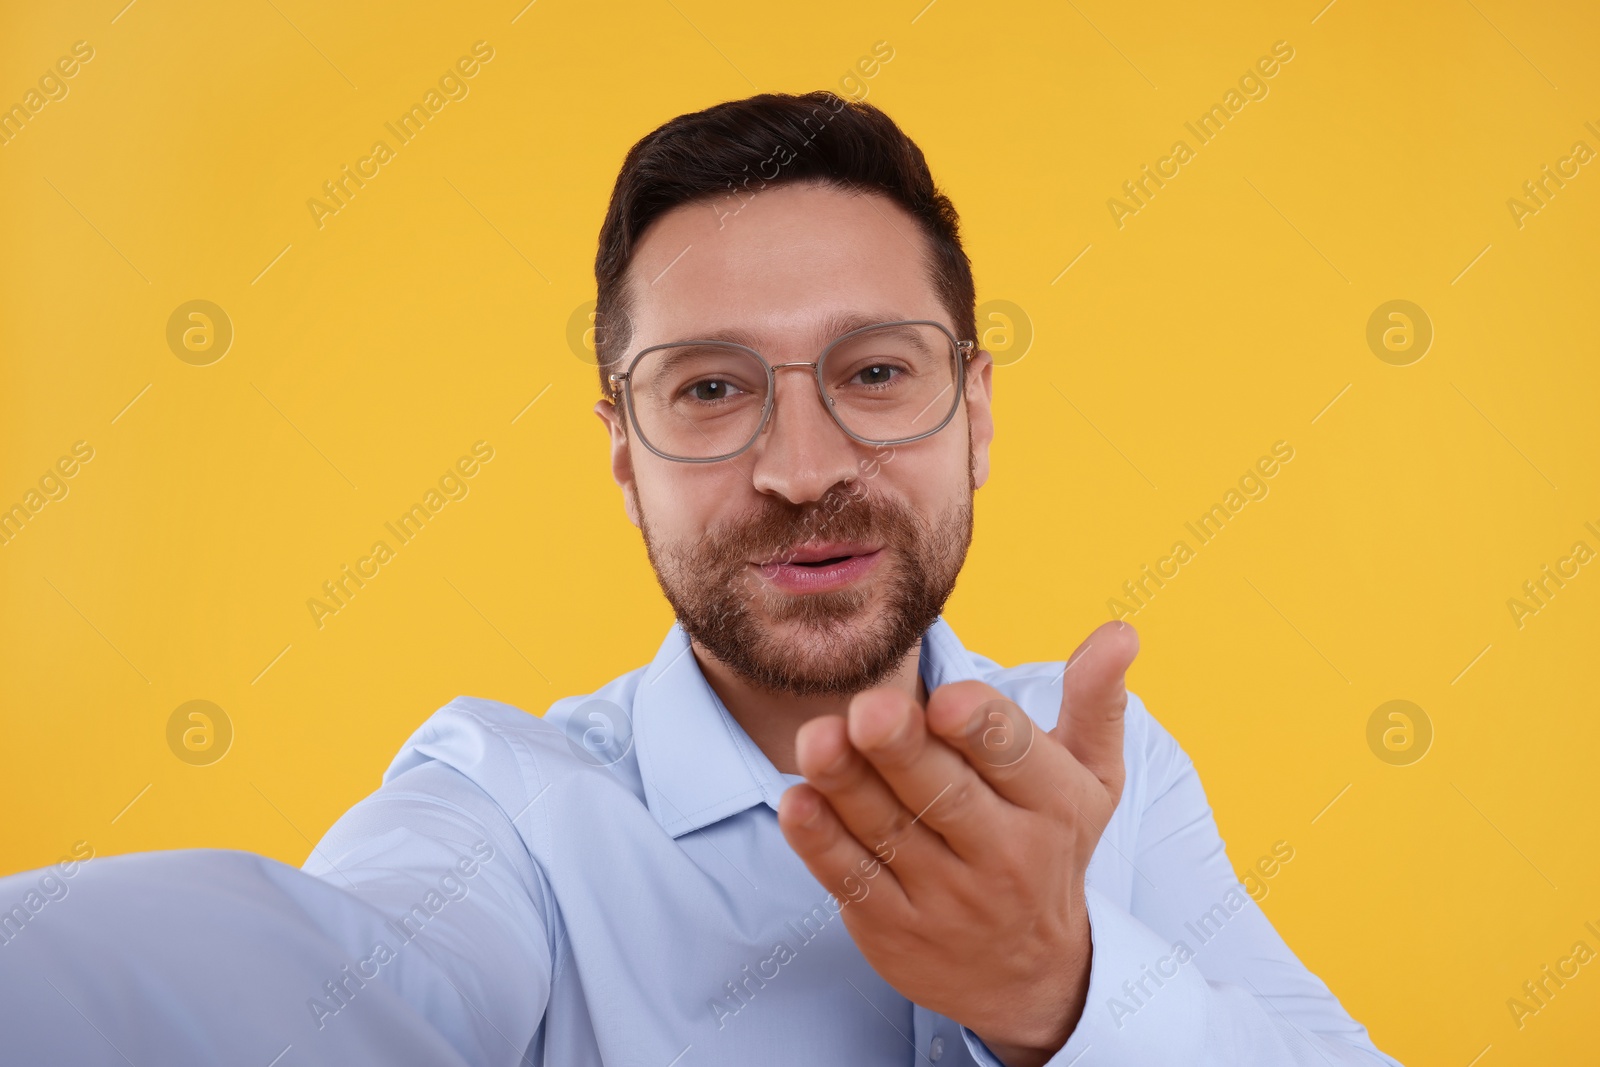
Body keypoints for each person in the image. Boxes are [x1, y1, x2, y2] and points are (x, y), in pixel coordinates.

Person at [0, 91, 1403, 1066]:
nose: (801, 464)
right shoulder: (510, 809)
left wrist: (1069, 992)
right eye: (713, 387)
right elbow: (335, 983)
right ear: (625, 456)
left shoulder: (1107, 776)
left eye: (874, 373)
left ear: (975, 412)